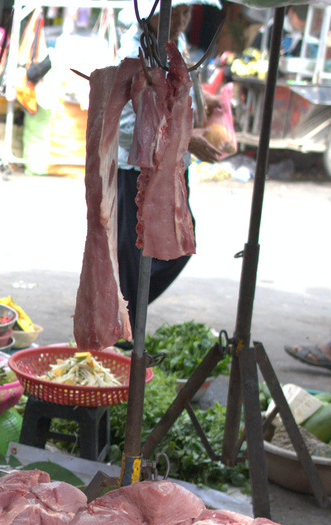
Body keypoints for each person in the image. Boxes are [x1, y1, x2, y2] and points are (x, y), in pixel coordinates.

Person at [115, 0, 222, 334]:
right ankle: (124, 329)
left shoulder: (178, 48)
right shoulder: (135, 55)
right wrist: (188, 140)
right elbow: (127, 129)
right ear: (150, 14)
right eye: (173, 11)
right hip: (139, 170)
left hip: (174, 166)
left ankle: (127, 317)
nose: (180, 18)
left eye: (186, 11)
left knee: (178, 247)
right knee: (134, 259)